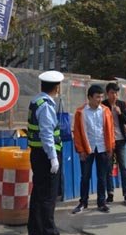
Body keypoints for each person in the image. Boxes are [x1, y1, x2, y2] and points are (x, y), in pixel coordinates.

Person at [27, 70, 64, 235]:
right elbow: (47, 134)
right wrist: (53, 158)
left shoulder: (36, 101)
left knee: (38, 194)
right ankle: (49, 231)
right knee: (48, 197)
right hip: (46, 156)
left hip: (37, 154)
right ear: (57, 87)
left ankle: (35, 229)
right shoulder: (47, 106)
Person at [72, 84, 115, 214]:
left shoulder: (106, 111)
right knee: (85, 177)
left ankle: (101, 203)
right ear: (89, 97)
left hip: (102, 148)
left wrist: (111, 147)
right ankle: (83, 202)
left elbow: (111, 130)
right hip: (87, 148)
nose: (100, 100)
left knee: (102, 177)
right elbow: (77, 132)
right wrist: (80, 150)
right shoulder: (81, 112)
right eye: (97, 97)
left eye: (101, 97)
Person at [102, 82, 126, 206]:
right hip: (108, 141)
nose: (114, 95)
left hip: (121, 140)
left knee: (124, 167)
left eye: (116, 93)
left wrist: (120, 113)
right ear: (107, 93)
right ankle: (110, 193)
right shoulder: (103, 105)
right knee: (108, 168)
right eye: (111, 93)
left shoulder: (121, 104)